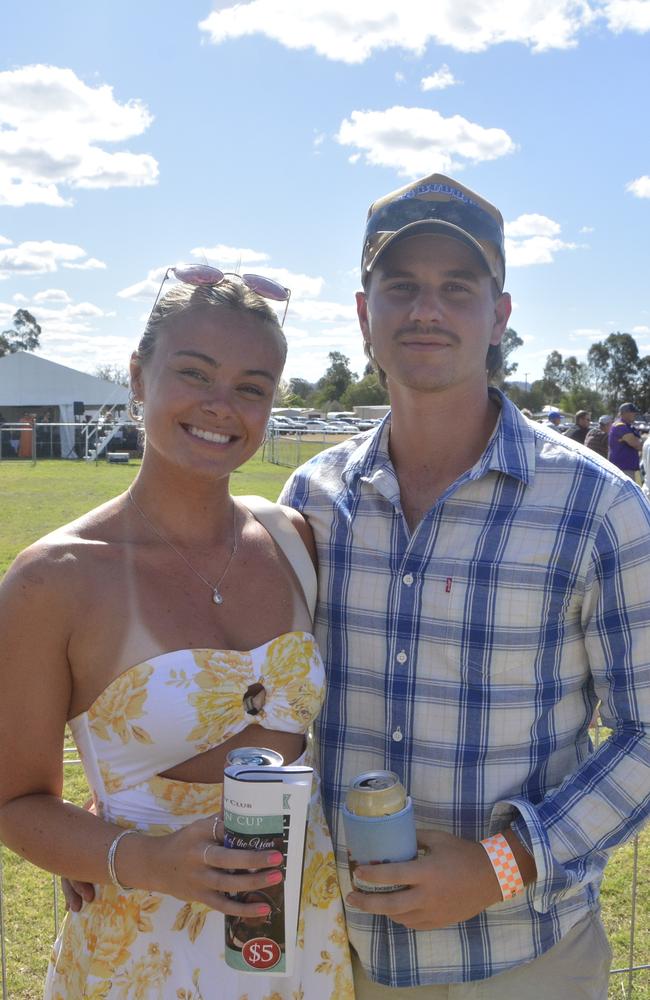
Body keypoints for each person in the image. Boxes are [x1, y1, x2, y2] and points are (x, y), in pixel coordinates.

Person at [280, 172, 650, 998]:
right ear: (362, 311)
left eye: (457, 287)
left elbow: (647, 732)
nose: (426, 310)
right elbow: (263, 698)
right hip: (342, 953)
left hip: (527, 958)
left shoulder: (600, 507)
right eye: (401, 286)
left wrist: (502, 864)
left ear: (500, 316)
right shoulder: (309, 499)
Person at [0, 270, 353, 999]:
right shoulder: (53, 579)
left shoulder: (292, 540)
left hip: (301, 937)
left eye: (252, 386)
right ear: (138, 375)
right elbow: (15, 806)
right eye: (194, 373)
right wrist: (143, 855)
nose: (220, 407)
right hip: (143, 954)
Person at [608, 402, 643, 480]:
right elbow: (636, 444)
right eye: (633, 412)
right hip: (622, 469)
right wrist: (640, 441)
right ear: (625, 413)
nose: (635, 414)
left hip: (626, 468)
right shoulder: (620, 426)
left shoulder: (627, 426)